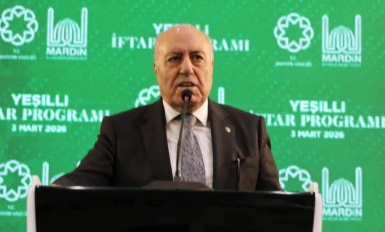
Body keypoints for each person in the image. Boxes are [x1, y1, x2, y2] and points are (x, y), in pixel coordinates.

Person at [53, 25, 281, 190]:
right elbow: (83, 180)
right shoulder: (121, 131)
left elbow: (275, 205)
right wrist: (48, 192)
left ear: (211, 66)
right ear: (156, 69)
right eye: (174, 59)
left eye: (197, 57)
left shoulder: (250, 130)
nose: (187, 69)